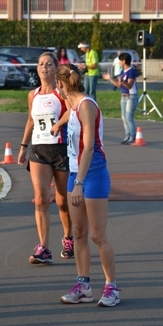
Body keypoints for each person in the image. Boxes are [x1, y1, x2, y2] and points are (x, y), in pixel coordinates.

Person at [52, 63, 120, 307]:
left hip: (92, 173)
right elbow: (70, 114)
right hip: (74, 173)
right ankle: (83, 286)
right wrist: (57, 125)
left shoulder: (86, 105)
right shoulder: (72, 104)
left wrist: (79, 182)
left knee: (97, 235)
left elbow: (89, 146)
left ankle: (111, 287)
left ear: (60, 84)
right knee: (78, 233)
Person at [17, 51, 74, 264]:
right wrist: (23, 146)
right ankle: (44, 248)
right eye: (41, 64)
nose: (44, 67)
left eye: (49, 64)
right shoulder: (33, 95)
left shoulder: (62, 93)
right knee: (41, 198)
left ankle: (68, 238)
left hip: (61, 150)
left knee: (62, 201)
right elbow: (30, 121)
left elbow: (72, 111)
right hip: (39, 150)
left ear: (56, 68)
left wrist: (59, 125)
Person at [102, 52, 138, 145]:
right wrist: (110, 78)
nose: (119, 62)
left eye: (120, 61)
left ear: (124, 61)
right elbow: (118, 85)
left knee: (129, 117)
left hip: (131, 96)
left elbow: (129, 86)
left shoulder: (131, 71)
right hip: (123, 96)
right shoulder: (122, 71)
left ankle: (132, 136)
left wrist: (123, 82)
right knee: (124, 117)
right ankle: (127, 135)